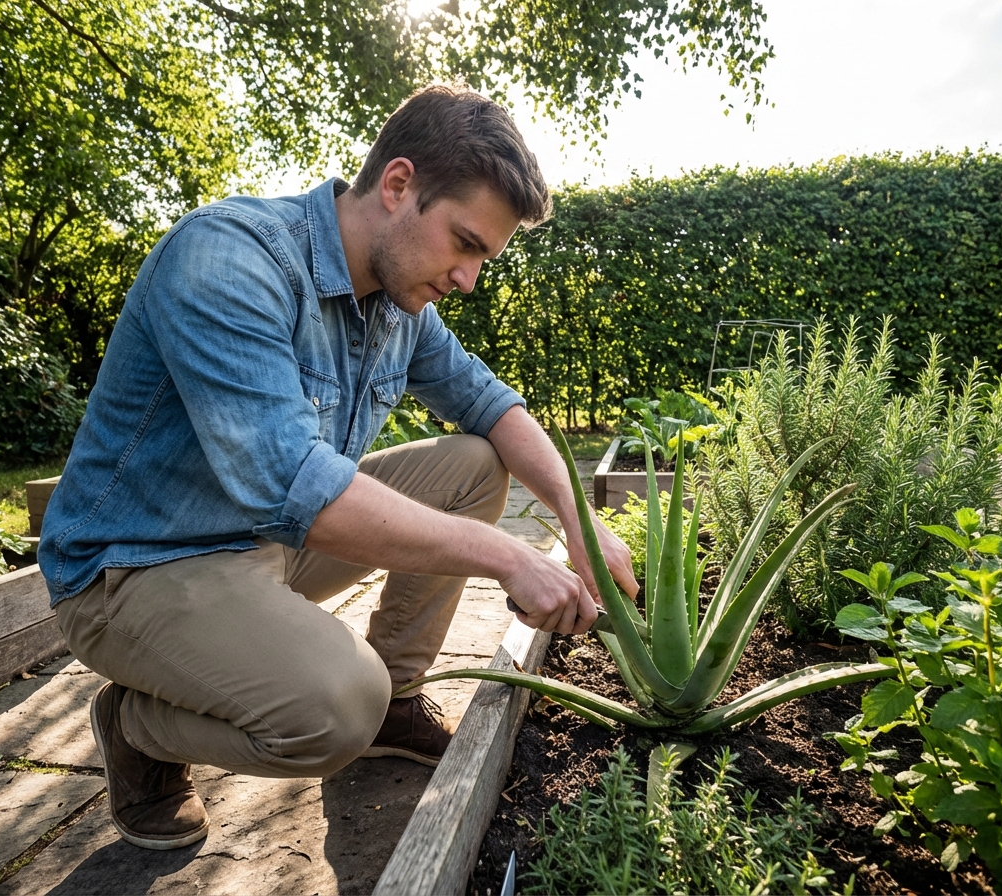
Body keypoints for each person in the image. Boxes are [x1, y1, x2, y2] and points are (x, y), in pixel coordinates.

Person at [38, 84, 637, 852]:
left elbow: (492, 406)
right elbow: (296, 487)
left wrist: (576, 523)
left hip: (265, 543)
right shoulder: (232, 258)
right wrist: (510, 558)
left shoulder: (396, 305)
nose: (468, 279)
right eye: (466, 243)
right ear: (398, 186)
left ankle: (400, 699)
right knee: (338, 708)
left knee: (475, 463)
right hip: (137, 568)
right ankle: (135, 726)